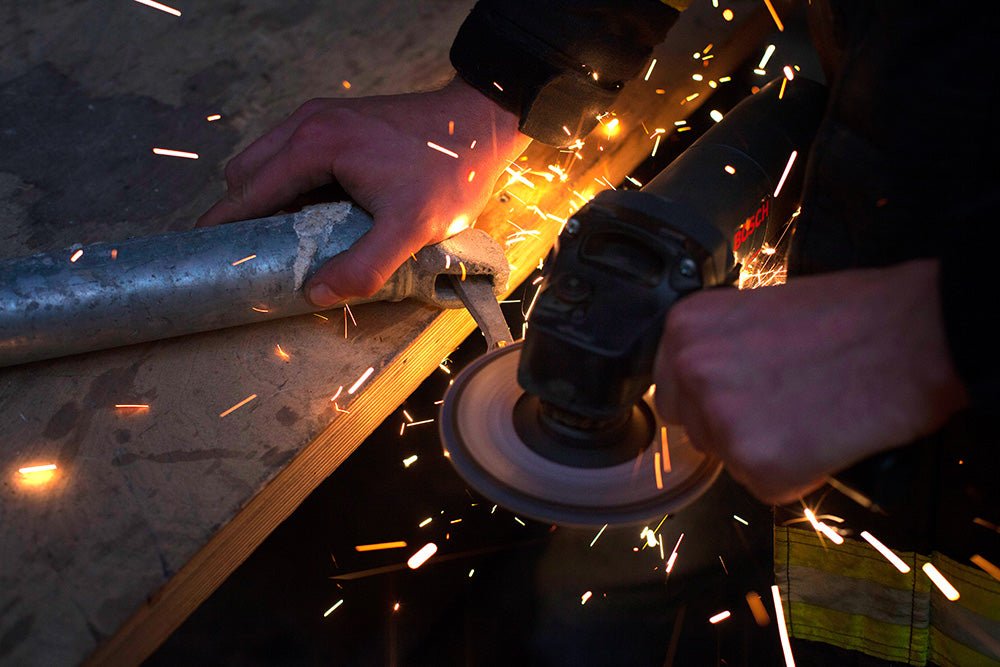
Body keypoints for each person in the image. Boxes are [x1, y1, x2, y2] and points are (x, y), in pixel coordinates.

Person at [198, 1, 998, 663]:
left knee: (914, 634)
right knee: (627, 597)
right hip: (856, 221)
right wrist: (510, 82)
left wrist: (936, 330)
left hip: (978, 501)